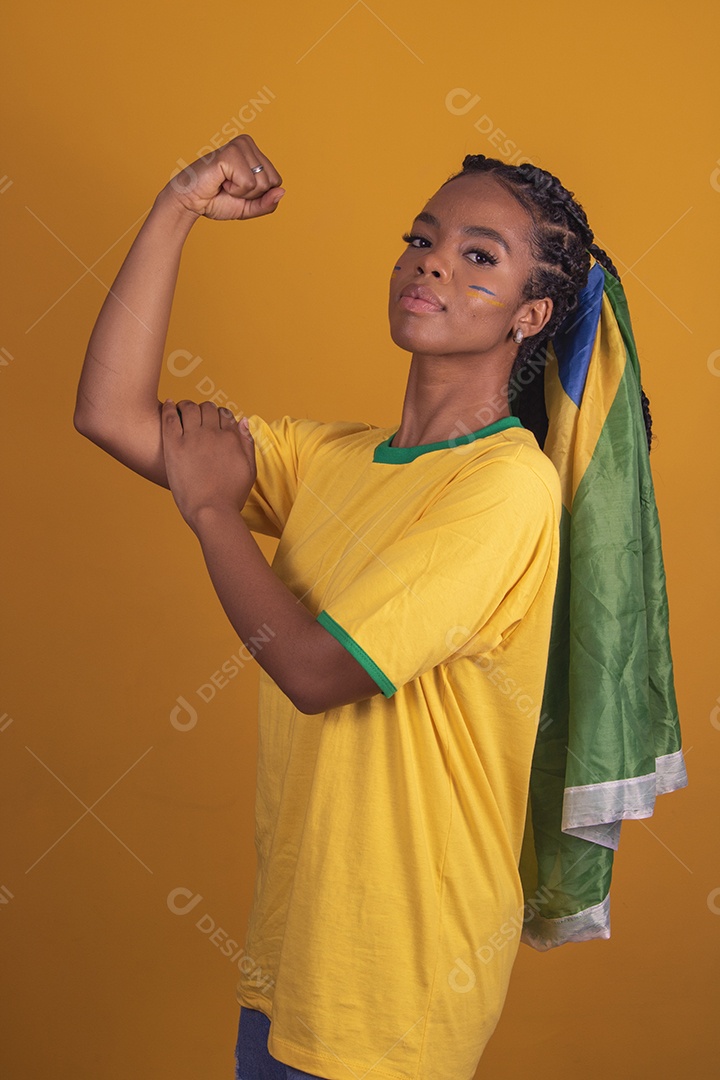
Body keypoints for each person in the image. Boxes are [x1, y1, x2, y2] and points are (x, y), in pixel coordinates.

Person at [73, 136, 652, 1079]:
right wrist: (177, 204)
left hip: (398, 983)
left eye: (478, 254)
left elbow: (318, 672)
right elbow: (110, 412)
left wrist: (214, 508)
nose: (431, 260)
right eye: (420, 237)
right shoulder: (332, 461)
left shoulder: (506, 488)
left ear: (531, 313)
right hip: (293, 958)